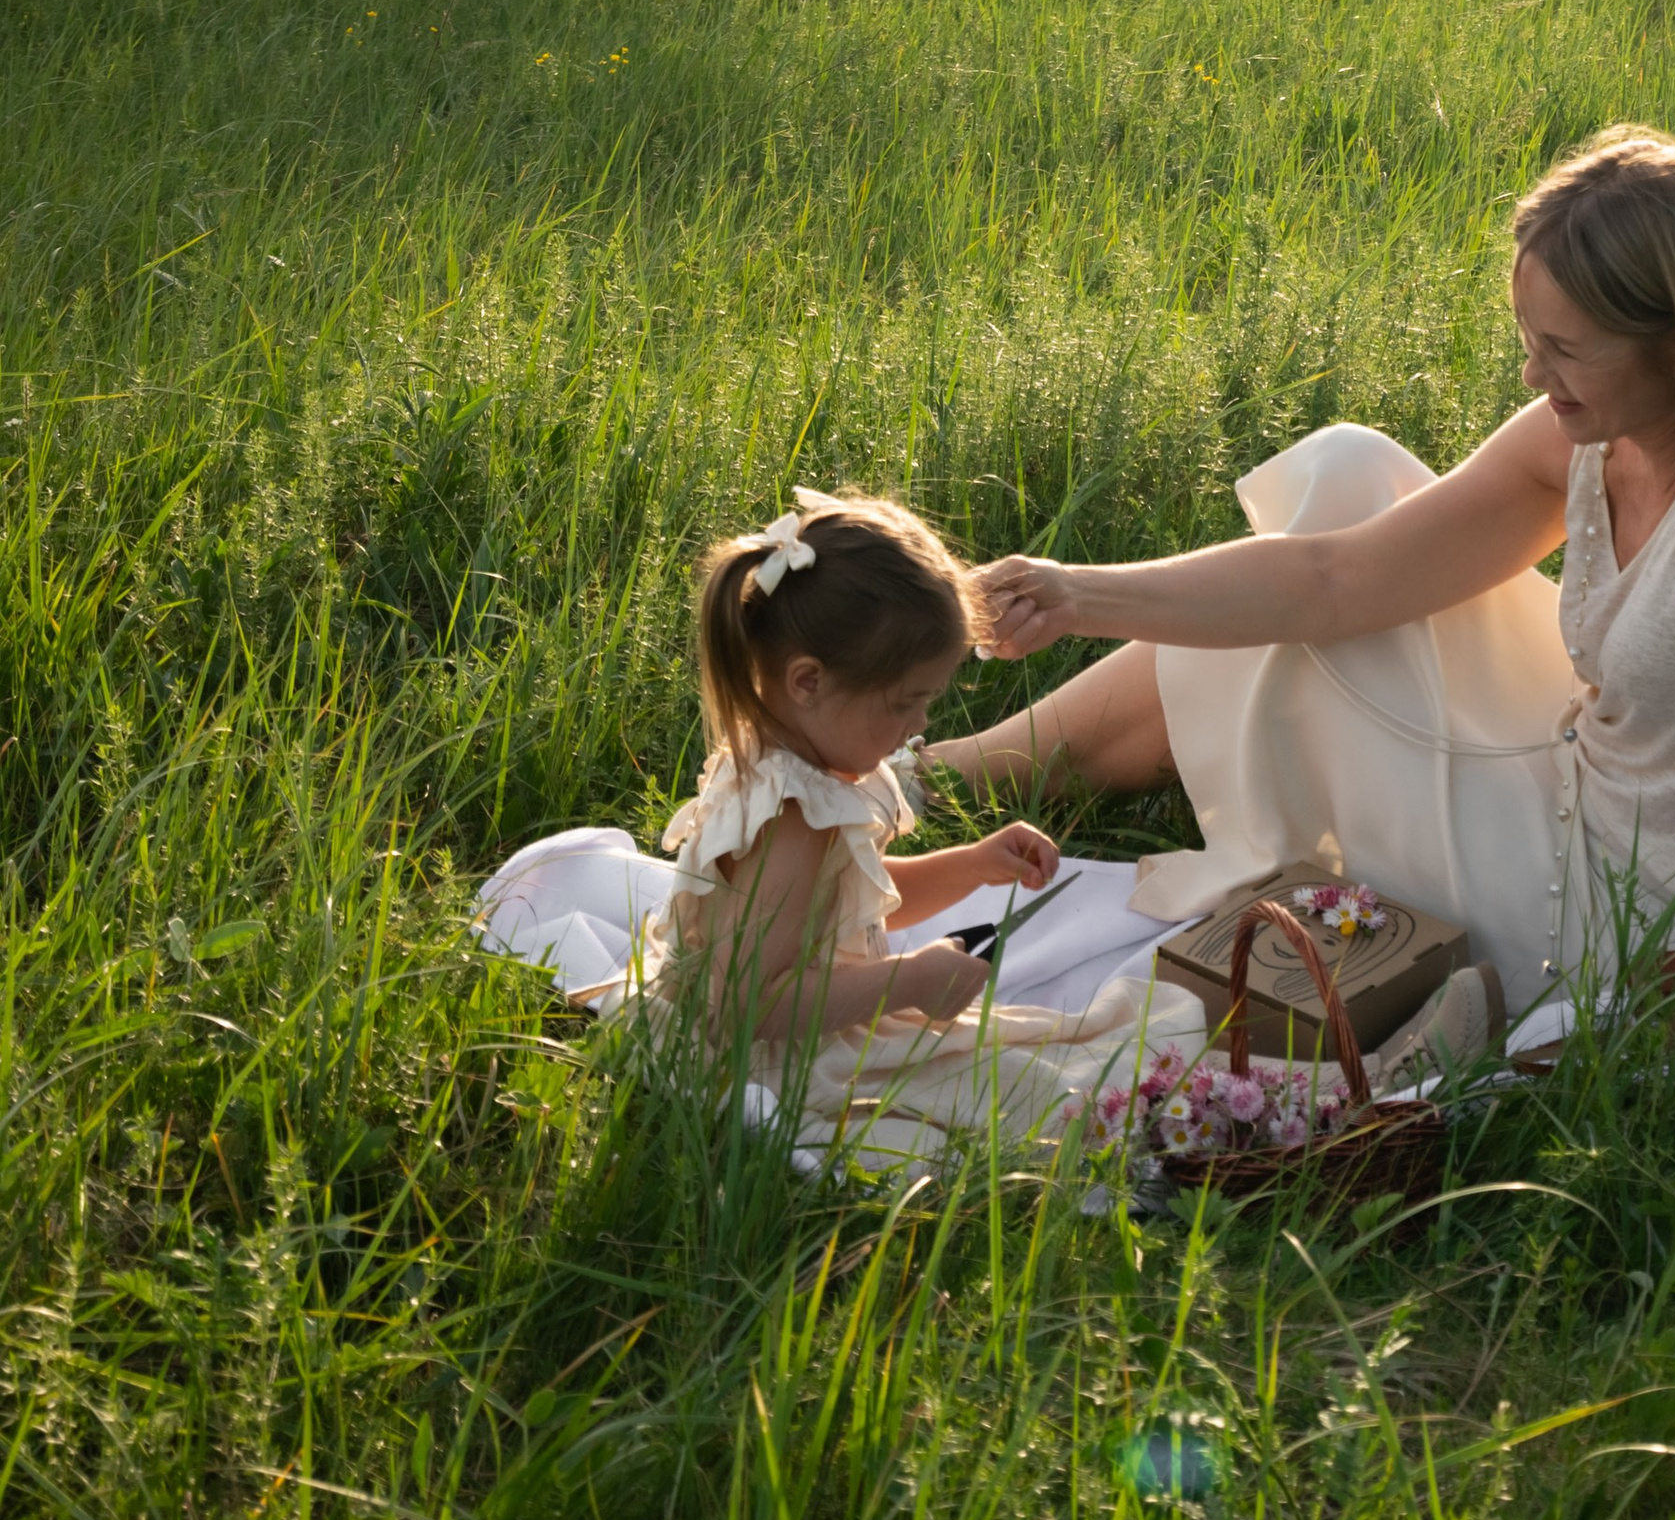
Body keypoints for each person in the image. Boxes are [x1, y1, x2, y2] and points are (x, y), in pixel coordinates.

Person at [932, 126, 1675, 1029]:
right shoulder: (1592, 435)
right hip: (1579, 789)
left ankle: (952, 779)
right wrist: (1076, 592)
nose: (1532, 375)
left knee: (1286, 648)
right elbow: (1337, 576)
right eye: (1528, 341)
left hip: (1653, 913)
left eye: (1564, 348)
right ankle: (951, 776)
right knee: (1344, 478)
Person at [482, 491, 1212, 1165]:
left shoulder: (795, 769)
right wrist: (909, 979)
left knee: (1031, 1061)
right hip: (779, 1056)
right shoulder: (794, 816)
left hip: (800, 1030)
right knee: (1033, 1098)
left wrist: (970, 864)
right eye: (904, 703)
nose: (920, 725)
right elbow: (751, 1005)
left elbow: (840, 906)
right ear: (809, 682)